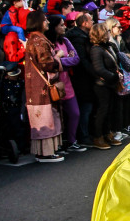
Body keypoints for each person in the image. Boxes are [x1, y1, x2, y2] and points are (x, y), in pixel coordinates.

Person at [24, 10, 64, 162]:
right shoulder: (39, 41)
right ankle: (46, 153)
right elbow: (47, 63)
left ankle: (46, 151)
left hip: (36, 86)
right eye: (45, 20)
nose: (47, 22)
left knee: (45, 116)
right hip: (41, 87)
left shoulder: (34, 39)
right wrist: (58, 57)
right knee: (46, 117)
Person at [46, 15, 85, 152]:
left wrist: (61, 61)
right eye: (61, 25)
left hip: (66, 82)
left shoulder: (66, 40)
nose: (64, 27)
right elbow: (50, 63)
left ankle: (72, 140)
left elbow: (76, 59)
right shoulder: (48, 42)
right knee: (57, 115)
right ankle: (59, 143)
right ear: (54, 27)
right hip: (53, 82)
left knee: (75, 113)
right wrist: (61, 60)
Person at [88, 22, 121, 150]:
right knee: (103, 110)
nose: (109, 33)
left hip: (111, 84)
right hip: (102, 85)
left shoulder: (107, 47)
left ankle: (108, 133)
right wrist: (114, 76)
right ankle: (98, 136)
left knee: (110, 110)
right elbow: (99, 69)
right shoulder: (96, 49)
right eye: (106, 31)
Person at [66, 12, 96, 146]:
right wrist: (94, 72)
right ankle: (83, 135)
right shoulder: (78, 39)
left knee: (87, 107)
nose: (93, 22)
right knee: (85, 107)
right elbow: (82, 60)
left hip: (85, 77)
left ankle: (86, 133)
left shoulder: (83, 37)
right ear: (84, 23)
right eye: (91, 20)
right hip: (81, 78)